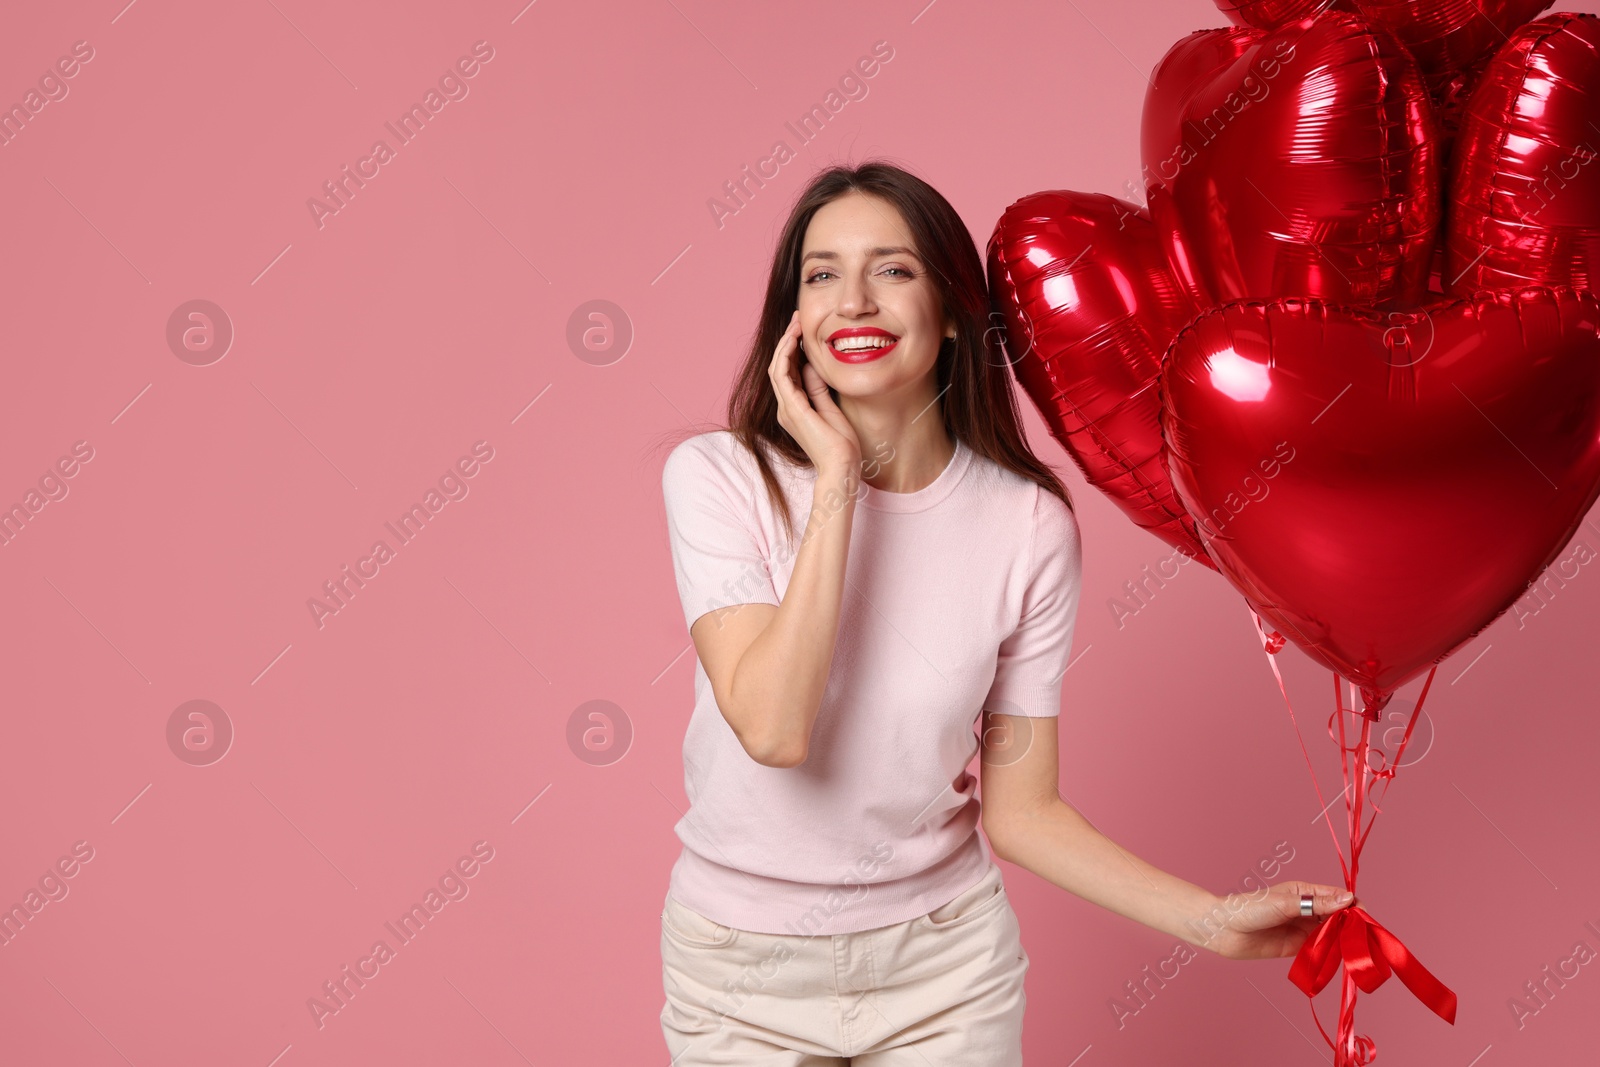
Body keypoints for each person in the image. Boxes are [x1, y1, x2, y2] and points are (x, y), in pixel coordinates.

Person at [657, 160, 1355, 1066]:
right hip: (736, 980)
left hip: (943, 975)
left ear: (951, 311)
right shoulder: (720, 479)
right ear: (793, 315)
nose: (853, 301)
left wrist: (1217, 923)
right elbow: (775, 727)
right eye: (822, 273)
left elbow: (1021, 812)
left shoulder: (1027, 525)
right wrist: (836, 482)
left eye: (894, 270)